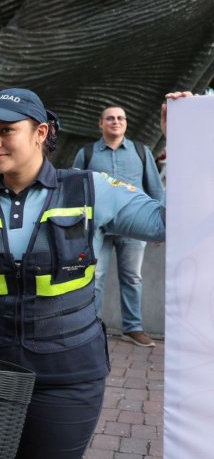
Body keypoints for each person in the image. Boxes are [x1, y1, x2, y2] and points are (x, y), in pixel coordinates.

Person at [0, 88, 166, 459]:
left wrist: (184, 140)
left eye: (6, 131)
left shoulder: (91, 189)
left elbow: (167, 222)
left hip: (69, 376)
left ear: (40, 132)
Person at [71, 105, 165, 347]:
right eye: (110, 118)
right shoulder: (87, 153)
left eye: (120, 118)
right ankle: (92, 326)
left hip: (134, 226)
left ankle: (133, 328)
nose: (116, 121)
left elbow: (155, 188)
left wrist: (161, 224)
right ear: (100, 123)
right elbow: (74, 188)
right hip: (97, 227)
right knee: (95, 276)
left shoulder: (141, 152)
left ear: (126, 123)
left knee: (133, 278)